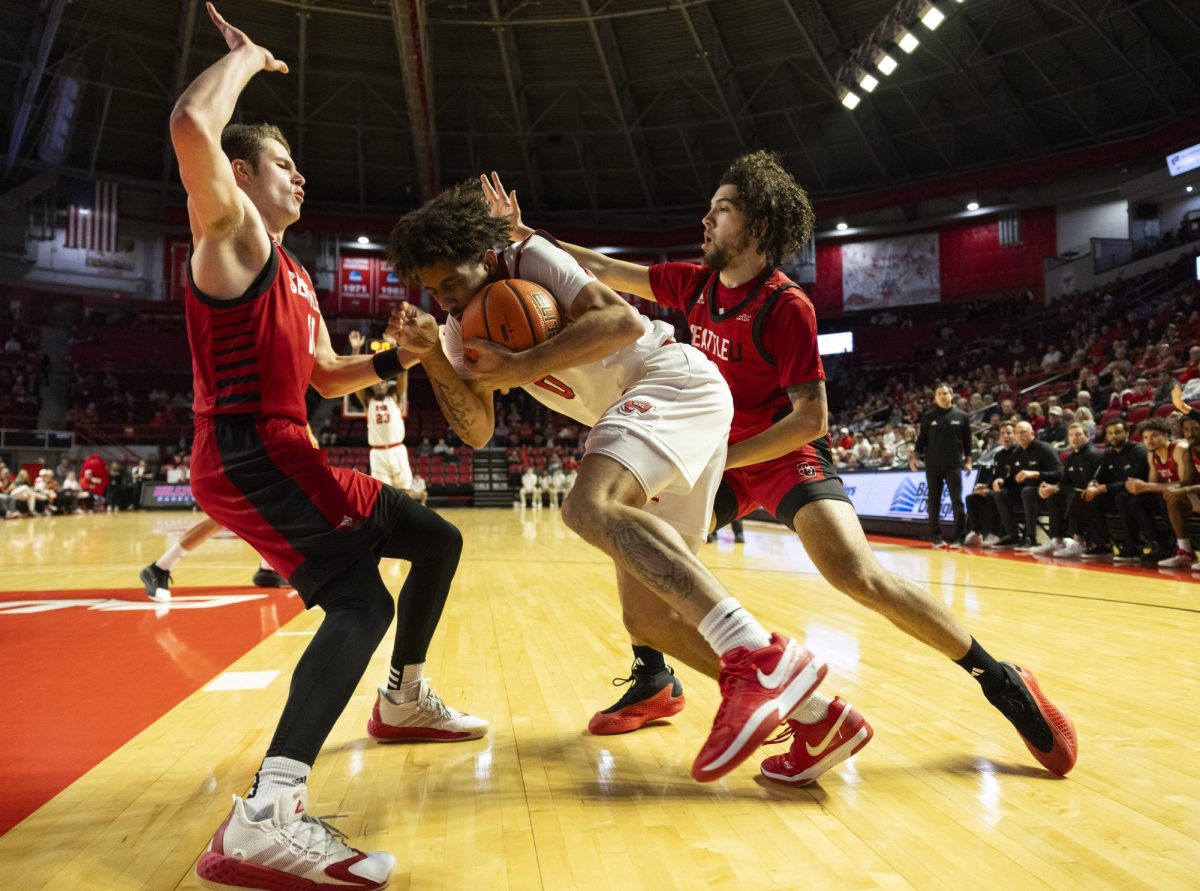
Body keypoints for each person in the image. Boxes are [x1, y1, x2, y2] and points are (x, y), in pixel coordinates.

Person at [483, 154, 1076, 780]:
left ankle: (998, 677)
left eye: (722, 210)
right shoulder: (695, 283)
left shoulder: (786, 305)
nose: (706, 220)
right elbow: (600, 269)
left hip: (778, 453)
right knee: (633, 539)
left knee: (856, 574)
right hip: (715, 451)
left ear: (758, 226)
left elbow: (810, 420)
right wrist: (524, 236)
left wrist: (720, 455)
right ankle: (655, 676)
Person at [170, 9, 483, 888]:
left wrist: (394, 357)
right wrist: (242, 61)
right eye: (285, 164)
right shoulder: (229, 233)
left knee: (436, 541)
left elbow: (324, 378)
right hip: (249, 448)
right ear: (241, 176)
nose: (301, 176)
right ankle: (267, 814)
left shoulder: (294, 273)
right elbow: (192, 125)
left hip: (281, 445)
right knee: (359, 605)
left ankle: (402, 697)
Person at [386, 180, 831, 786]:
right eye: (432, 290)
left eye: (450, 282)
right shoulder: (456, 330)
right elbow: (478, 431)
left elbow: (620, 320)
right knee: (650, 620)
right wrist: (435, 357)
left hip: (670, 379)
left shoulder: (528, 257)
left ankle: (760, 659)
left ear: (483, 255)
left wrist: (518, 367)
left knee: (588, 507)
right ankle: (820, 717)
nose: (443, 299)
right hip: (656, 412)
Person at [139, 515, 289, 602]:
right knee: (222, 516)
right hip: (224, 466)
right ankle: (159, 568)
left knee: (269, 511)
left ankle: (267, 570)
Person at [348, 329, 412, 493]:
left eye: (381, 382)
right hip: (377, 453)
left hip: (397, 450)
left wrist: (394, 348)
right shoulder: (367, 401)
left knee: (405, 493)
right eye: (375, 382)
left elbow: (403, 373)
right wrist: (355, 349)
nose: (378, 384)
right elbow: (354, 379)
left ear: (387, 383)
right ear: (371, 385)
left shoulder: (396, 397)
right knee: (383, 495)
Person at [910, 382, 972, 548]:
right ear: (935, 397)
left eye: (946, 393)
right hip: (933, 465)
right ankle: (936, 537)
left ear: (951, 395)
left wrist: (969, 460)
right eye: (940, 394)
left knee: (957, 501)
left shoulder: (962, 416)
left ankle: (960, 537)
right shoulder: (928, 417)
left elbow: (968, 441)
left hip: (954, 465)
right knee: (934, 501)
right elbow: (921, 440)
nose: (943, 396)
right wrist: (914, 457)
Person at [1124, 416, 1192, 567]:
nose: (1149, 441)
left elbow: (1184, 483)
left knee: (1169, 497)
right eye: (1145, 437)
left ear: (1167, 435)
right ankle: (1160, 545)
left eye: (1154, 436)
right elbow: (1153, 484)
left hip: (1191, 493)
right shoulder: (1152, 454)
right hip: (1170, 495)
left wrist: (1145, 486)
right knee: (1135, 501)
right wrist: (1136, 487)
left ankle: (1184, 550)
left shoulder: (1179, 448)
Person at [1084, 420, 1151, 563]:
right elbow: (1097, 476)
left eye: (1117, 432)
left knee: (1122, 497)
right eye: (1109, 433)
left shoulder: (1139, 450)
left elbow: (1133, 480)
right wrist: (1093, 483)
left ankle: (1134, 545)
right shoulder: (1108, 453)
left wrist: (1104, 488)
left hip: (1142, 493)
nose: (1113, 436)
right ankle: (1103, 544)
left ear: (1127, 433)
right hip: (1119, 494)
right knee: (1091, 496)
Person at [1037, 423, 1107, 559]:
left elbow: (1085, 484)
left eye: (1078, 434)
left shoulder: (1094, 455)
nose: (1074, 438)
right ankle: (1057, 540)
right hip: (1077, 494)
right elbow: (1064, 482)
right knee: (1054, 496)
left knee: (1074, 494)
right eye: (1071, 435)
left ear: (1087, 436)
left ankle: (1079, 542)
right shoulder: (1071, 457)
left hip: (1096, 496)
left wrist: (1057, 488)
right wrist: (1049, 488)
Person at [1008, 421, 1066, 552]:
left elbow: (1059, 473)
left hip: (1047, 491)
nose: (1020, 435)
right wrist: (997, 483)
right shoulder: (1016, 453)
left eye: (1024, 432)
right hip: (1025, 492)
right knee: (999, 493)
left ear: (1032, 433)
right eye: (1017, 433)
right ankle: (1007, 535)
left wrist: (1036, 474)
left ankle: (1030, 537)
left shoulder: (1044, 448)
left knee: (1027, 491)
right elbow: (1012, 478)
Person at [964, 422, 1017, 547]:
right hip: (998, 490)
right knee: (972, 497)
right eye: (1003, 434)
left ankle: (995, 533)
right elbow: (995, 476)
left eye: (1009, 433)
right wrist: (985, 486)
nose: (1006, 436)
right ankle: (976, 532)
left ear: (1015, 435)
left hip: (1011, 491)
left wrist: (992, 489)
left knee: (994, 495)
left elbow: (1014, 477)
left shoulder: (1019, 453)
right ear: (1000, 438)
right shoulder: (998, 455)